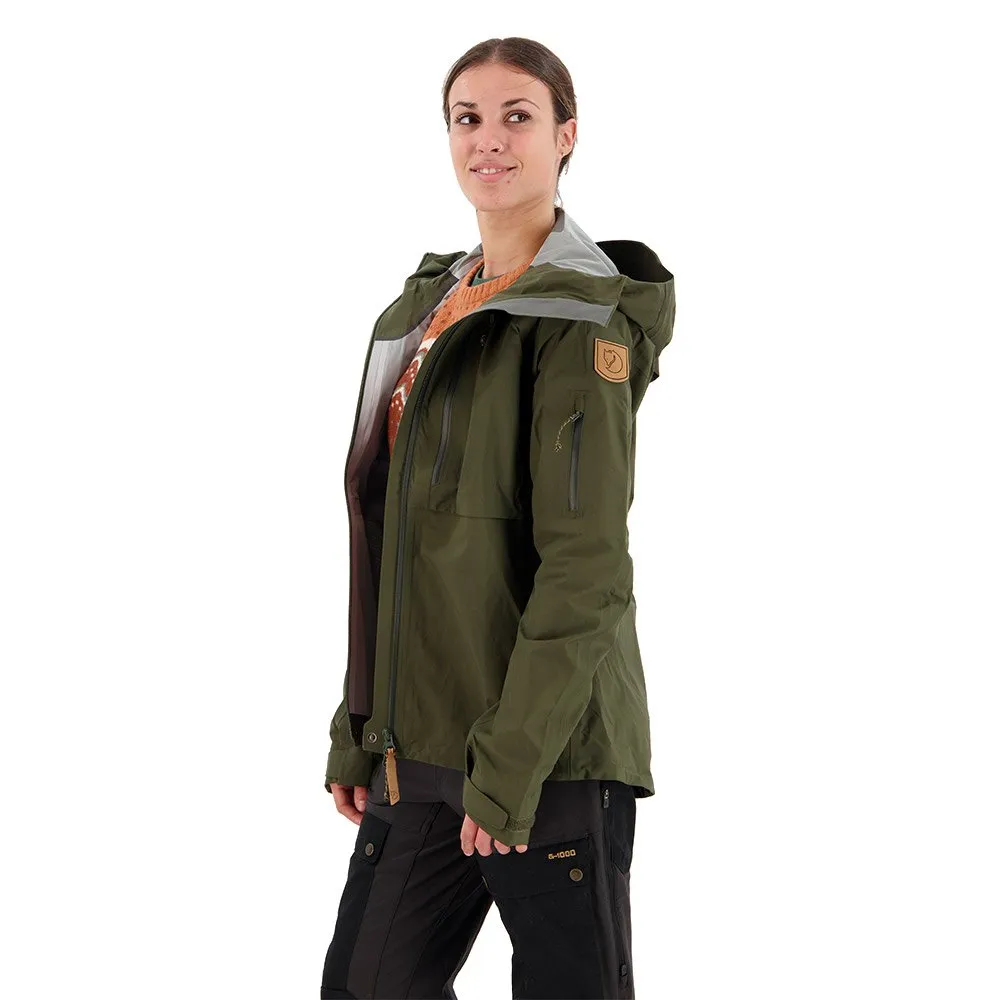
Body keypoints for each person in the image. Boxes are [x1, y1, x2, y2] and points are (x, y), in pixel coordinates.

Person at [320, 36, 676, 1000]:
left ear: (566, 136)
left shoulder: (581, 321)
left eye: (518, 115)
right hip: (419, 744)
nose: (489, 138)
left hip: (546, 753)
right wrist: (361, 723)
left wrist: (512, 764)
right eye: (466, 117)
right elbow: (388, 538)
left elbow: (585, 570)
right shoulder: (421, 310)